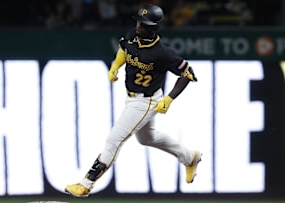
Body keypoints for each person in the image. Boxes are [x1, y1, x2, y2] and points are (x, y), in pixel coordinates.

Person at [65, 4, 202, 198]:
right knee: (147, 138)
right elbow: (123, 50)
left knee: (114, 140)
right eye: (139, 21)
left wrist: (170, 99)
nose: (139, 26)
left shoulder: (161, 52)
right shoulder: (132, 36)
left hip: (146, 102)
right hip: (131, 98)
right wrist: (115, 66)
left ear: (154, 28)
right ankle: (190, 157)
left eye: (144, 24)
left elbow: (187, 74)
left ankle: (86, 184)